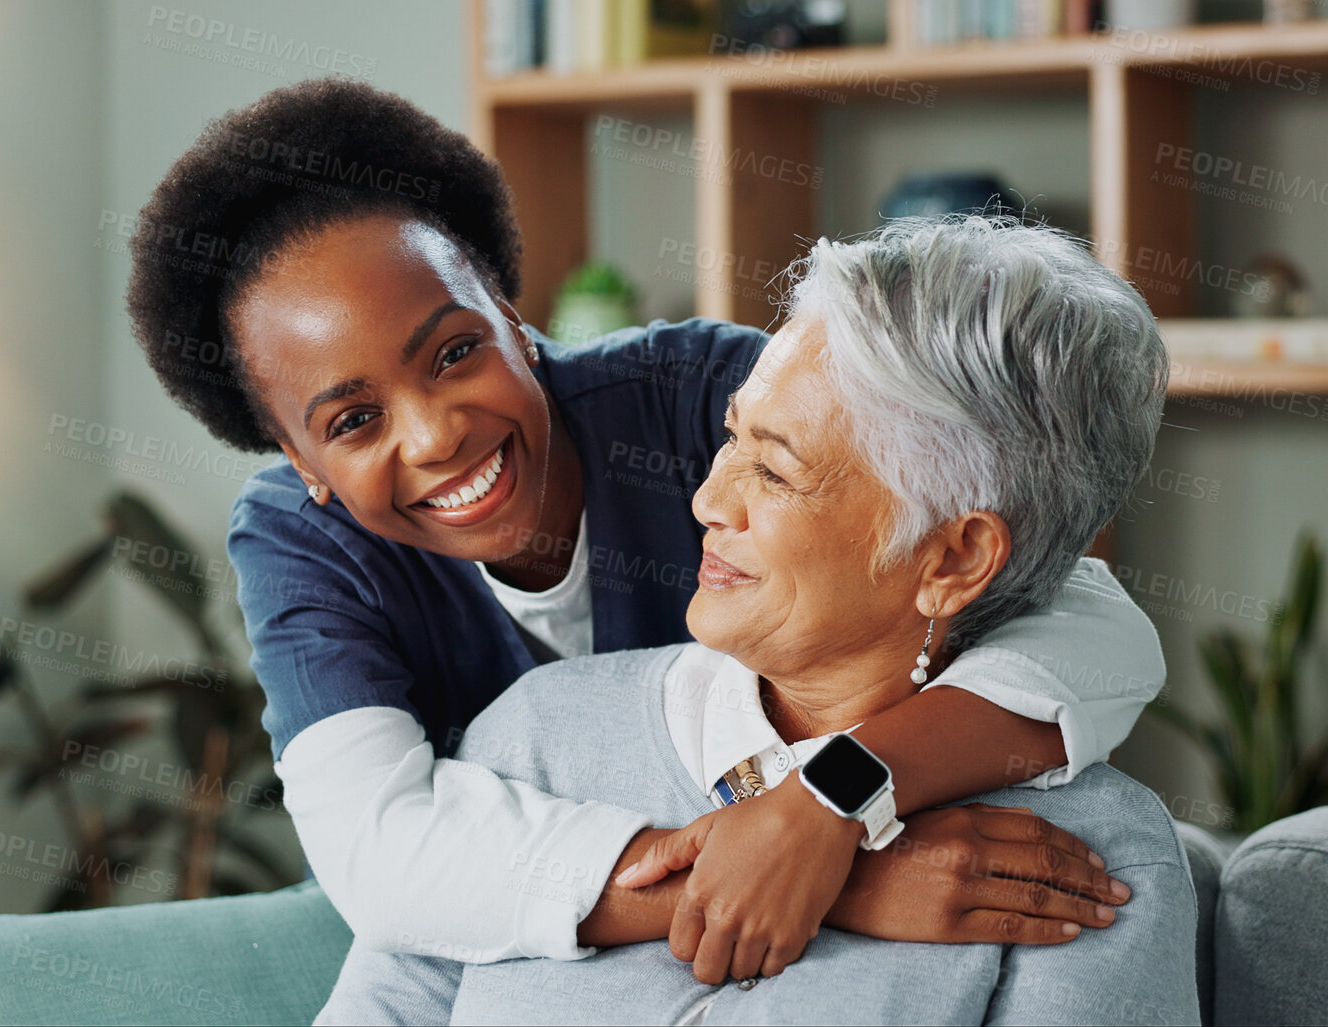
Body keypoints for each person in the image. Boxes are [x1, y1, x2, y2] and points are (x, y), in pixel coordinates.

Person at [126, 78, 1167, 978]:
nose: (437, 434)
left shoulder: (708, 402)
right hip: (497, 950)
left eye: (452, 352)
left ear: (510, 315)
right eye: (353, 422)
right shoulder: (303, 546)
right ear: (301, 467)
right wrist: (822, 876)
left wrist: (828, 805)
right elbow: (385, 852)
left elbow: (1081, 617)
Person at [319, 214, 1194, 1025]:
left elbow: (1103, 624)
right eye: (730, 437)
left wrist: (832, 804)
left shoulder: (1084, 863)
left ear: (954, 559)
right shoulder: (537, 735)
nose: (705, 499)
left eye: (772, 473)